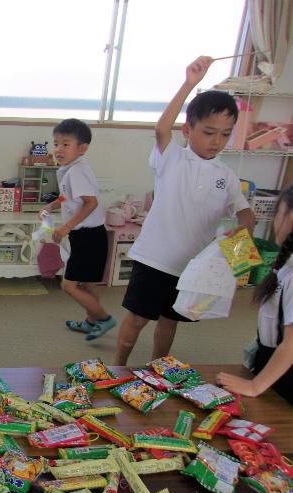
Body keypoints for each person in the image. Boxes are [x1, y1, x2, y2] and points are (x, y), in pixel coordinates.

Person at [115, 56, 255, 365]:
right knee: (136, 321)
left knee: (170, 322)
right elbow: (160, 128)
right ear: (187, 130)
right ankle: (117, 366)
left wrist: (242, 238)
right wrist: (189, 83)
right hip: (154, 259)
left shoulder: (227, 176)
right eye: (208, 131)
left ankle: (156, 370)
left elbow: (245, 214)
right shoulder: (172, 158)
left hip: (191, 267)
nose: (216, 141)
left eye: (224, 133)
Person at [217, 185, 293, 404]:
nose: (276, 219)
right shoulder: (286, 262)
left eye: (280, 212)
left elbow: (290, 345)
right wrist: (233, 245)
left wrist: (255, 385)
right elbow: (243, 273)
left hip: (283, 373)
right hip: (269, 360)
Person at [40, 118, 114, 341]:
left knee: (69, 285)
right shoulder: (72, 168)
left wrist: (65, 227)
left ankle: (104, 319)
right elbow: (70, 195)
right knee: (88, 282)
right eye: (56, 144)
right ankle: (91, 322)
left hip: (88, 236)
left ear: (82, 148)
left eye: (66, 144)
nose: (58, 150)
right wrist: (52, 205)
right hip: (91, 235)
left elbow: (90, 202)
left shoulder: (75, 171)